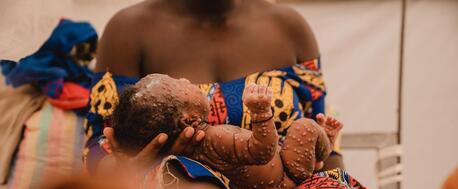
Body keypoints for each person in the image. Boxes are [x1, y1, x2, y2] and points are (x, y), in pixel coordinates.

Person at [85, 0, 344, 172]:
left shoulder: (289, 27)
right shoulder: (128, 31)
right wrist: (136, 168)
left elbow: (324, 142)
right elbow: (98, 147)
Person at [111, 74, 342, 189]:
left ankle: (319, 153)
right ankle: (326, 143)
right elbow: (262, 152)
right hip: (287, 177)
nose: (184, 79)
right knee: (305, 127)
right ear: (188, 119)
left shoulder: (196, 147)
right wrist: (261, 113)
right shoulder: (214, 138)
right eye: (178, 83)